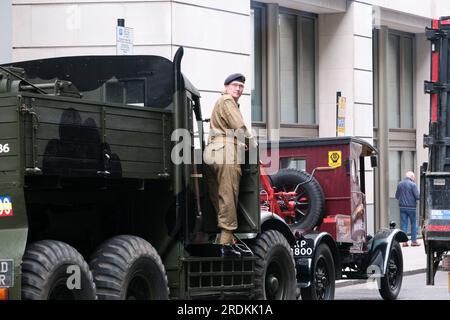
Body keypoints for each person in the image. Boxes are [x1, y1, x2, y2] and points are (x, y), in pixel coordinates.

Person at [204, 73, 257, 258]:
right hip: (225, 153)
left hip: (212, 152)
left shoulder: (221, 102)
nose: (238, 89)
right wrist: (252, 144)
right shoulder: (227, 101)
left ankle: (222, 238)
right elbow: (239, 126)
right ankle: (225, 244)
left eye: (241, 86)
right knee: (229, 195)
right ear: (226, 87)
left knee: (217, 196)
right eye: (234, 85)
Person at [395, 171, 420, 247]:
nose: (414, 179)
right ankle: (413, 241)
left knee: (404, 224)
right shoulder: (413, 185)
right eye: (414, 177)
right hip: (411, 207)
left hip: (402, 207)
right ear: (412, 177)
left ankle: (404, 242)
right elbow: (418, 196)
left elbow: (396, 196)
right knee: (413, 223)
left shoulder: (400, 184)